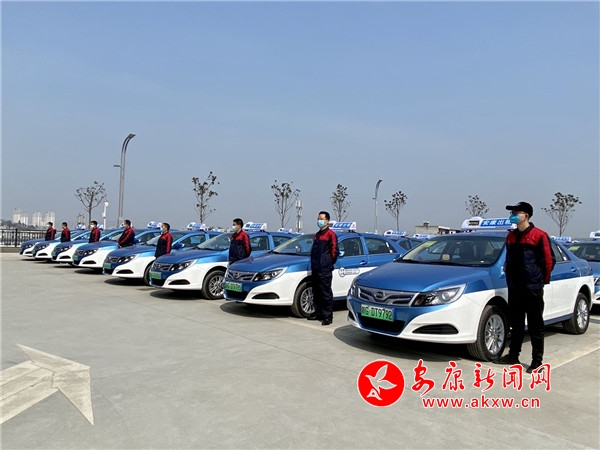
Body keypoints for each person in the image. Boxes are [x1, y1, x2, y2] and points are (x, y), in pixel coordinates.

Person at [497, 201, 555, 374]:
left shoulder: (539, 235)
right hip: (515, 286)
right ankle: (513, 355)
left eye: (516, 212)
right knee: (516, 323)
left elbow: (548, 261)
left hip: (532, 287)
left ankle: (537, 361)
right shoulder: (511, 236)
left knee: (536, 325)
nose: (513, 215)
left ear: (526, 216)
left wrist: (540, 280)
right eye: (512, 213)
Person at [309, 211, 338, 326]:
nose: (319, 220)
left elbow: (334, 252)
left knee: (325, 292)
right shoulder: (317, 235)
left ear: (327, 221)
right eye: (318, 218)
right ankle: (318, 313)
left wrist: (327, 263)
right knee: (316, 292)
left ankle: (327, 316)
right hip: (315, 267)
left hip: (324, 269)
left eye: (321, 219)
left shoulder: (330, 234)